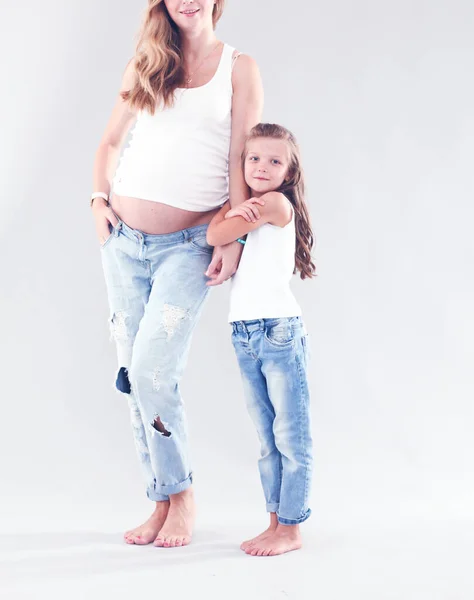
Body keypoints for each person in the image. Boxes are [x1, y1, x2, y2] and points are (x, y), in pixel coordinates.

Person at [91, 0, 263, 548]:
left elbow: (241, 157)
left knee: (153, 372)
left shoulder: (240, 68)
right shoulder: (146, 60)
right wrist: (98, 200)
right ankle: (161, 499)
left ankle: (183, 495)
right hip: (122, 243)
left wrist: (234, 235)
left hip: (188, 246)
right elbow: (111, 141)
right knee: (132, 378)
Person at [206, 123, 315, 556]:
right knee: (267, 438)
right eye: (253, 159)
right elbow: (220, 234)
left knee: (291, 435)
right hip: (246, 331)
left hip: (278, 330)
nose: (262, 166)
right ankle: (274, 522)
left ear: (288, 171)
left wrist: (228, 216)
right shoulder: (249, 207)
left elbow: (215, 235)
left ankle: (291, 528)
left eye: (274, 161)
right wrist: (231, 213)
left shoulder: (273, 204)